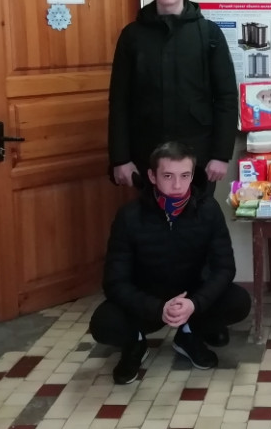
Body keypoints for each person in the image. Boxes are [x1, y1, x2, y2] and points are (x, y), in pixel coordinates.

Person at [90, 141, 251, 384]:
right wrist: (158, 308)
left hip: (191, 297)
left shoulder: (209, 210)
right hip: (148, 301)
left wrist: (194, 304)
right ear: (152, 176)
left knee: (238, 301)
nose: (177, 185)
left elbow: (225, 268)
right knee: (104, 323)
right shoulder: (129, 216)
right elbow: (114, 282)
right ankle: (136, 343)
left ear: (192, 176)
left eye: (185, 175)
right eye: (168, 176)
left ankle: (188, 334)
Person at [108, 0, 238, 194]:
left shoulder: (209, 34)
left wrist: (221, 154)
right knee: (150, 217)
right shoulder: (132, 36)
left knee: (198, 216)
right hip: (146, 153)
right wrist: (120, 159)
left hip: (199, 154)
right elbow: (119, 101)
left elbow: (226, 98)